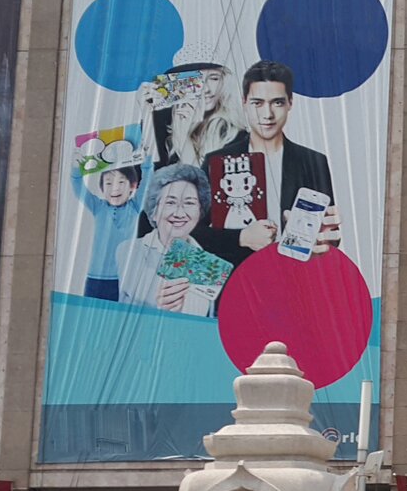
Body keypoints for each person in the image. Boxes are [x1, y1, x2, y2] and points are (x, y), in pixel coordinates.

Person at [196, 59, 338, 269]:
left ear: (290, 102)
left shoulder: (313, 161)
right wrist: (241, 237)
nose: (267, 114)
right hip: (238, 282)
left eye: (277, 102)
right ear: (244, 102)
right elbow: (191, 230)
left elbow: (329, 236)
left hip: (295, 279)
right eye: (258, 103)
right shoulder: (218, 161)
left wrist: (323, 240)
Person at [116, 163, 231, 317]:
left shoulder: (208, 264)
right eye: (170, 202)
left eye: (189, 203)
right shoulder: (129, 251)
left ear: (199, 211)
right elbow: (145, 296)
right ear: (154, 212)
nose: (179, 213)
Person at [68, 142, 147, 301]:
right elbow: (78, 187)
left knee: (118, 321)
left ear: (132, 186)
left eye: (121, 182)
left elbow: (147, 182)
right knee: (91, 318)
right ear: (102, 188)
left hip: (124, 279)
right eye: (109, 183)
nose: (114, 188)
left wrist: (146, 162)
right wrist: (76, 168)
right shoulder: (98, 206)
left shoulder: (135, 206)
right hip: (95, 277)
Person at [153, 61, 244, 169]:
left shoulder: (234, 135)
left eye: (214, 78)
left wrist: (184, 138)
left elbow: (199, 183)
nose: (206, 89)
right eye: (194, 80)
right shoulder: (162, 126)